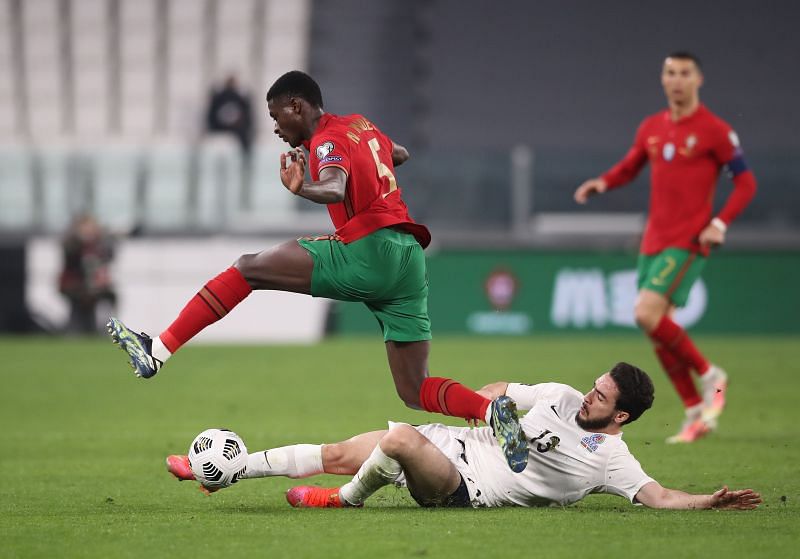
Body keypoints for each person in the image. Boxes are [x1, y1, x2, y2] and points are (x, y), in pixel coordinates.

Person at [108, 70, 528, 472]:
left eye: (276, 116)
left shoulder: (327, 140)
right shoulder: (360, 125)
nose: (274, 127)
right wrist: (367, 158)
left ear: (296, 106)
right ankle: (491, 410)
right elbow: (399, 153)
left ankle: (158, 351)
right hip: (408, 257)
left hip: (369, 251)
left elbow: (334, 187)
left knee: (248, 269)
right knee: (414, 389)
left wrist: (302, 187)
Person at [165, 362, 761, 511]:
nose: (590, 396)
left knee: (396, 441)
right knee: (338, 451)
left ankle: (342, 502)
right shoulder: (559, 396)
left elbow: (657, 497)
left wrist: (707, 500)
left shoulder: (611, 461)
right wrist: (495, 404)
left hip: (464, 485)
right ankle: (223, 470)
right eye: (595, 386)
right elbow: (505, 387)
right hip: (453, 441)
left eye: (603, 397)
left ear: (622, 416)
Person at [573, 52, 758, 444]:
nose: (676, 80)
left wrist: (719, 222)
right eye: (670, 73)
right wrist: (603, 183)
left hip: (689, 238)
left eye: (684, 73)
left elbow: (746, 183)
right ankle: (695, 411)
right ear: (663, 79)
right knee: (659, 327)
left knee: (645, 313)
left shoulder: (716, 131)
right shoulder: (652, 127)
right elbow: (631, 165)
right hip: (653, 240)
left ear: (698, 79)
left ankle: (711, 375)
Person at [59, 214, 117, 334]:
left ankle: (103, 329)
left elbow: (108, 257)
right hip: (75, 286)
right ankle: (75, 331)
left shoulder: (98, 244)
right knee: (79, 309)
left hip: (92, 287)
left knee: (107, 299)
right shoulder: (73, 243)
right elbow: (71, 257)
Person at [205, 74, 255, 157]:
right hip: (219, 127)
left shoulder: (239, 98)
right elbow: (211, 115)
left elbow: (247, 115)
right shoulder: (219, 97)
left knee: (246, 139)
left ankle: (245, 160)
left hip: (236, 128)